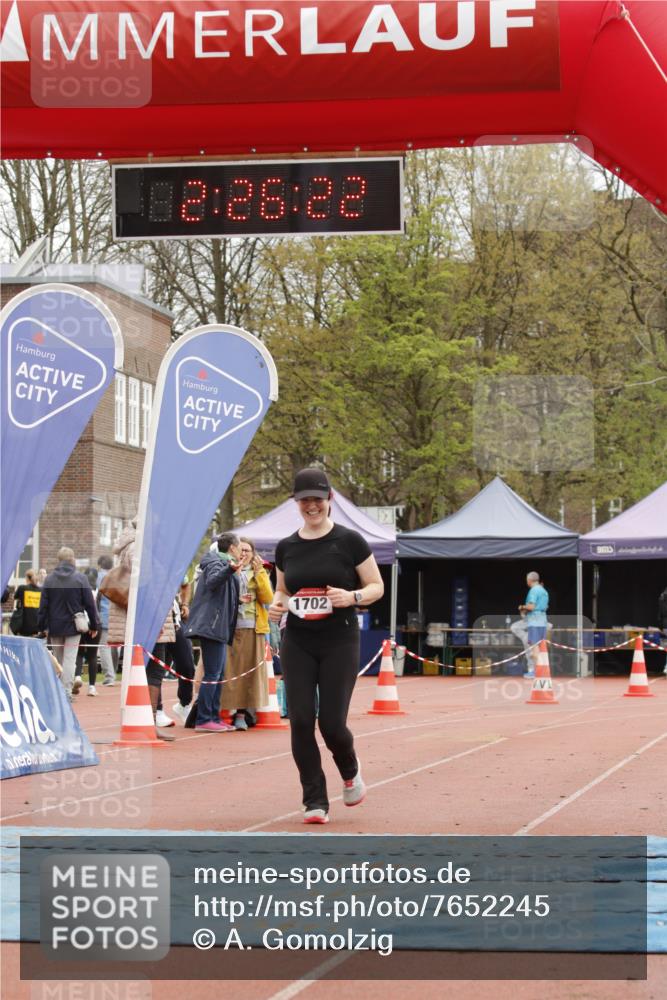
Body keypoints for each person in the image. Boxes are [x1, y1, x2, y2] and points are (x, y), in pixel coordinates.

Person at [268, 468, 384, 825]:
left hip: (339, 639)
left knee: (332, 723)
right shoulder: (287, 546)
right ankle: (314, 799)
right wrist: (276, 604)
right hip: (298, 640)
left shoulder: (350, 542)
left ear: (329, 499)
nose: (311, 506)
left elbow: (377, 586)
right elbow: (283, 590)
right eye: (304, 500)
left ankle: (349, 771)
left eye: (317, 499)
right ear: (296, 503)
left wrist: (352, 596)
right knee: (301, 720)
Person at [107, 521, 176, 740]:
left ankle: (146, 722)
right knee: (151, 671)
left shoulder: (138, 546)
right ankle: (145, 723)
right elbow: (146, 585)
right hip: (148, 620)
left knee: (151, 671)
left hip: (147, 618)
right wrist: (155, 619)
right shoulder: (139, 548)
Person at [183, 532, 242, 733]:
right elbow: (213, 581)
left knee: (218, 673)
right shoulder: (216, 562)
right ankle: (204, 718)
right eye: (240, 545)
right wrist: (229, 569)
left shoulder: (222, 562)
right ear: (232, 547)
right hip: (212, 625)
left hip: (217, 625)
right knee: (213, 672)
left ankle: (213, 717)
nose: (242, 549)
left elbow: (218, 593)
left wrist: (239, 600)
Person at [221, 537, 273, 730]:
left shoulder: (259, 572)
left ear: (253, 555)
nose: (243, 554)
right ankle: (224, 712)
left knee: (247, 674)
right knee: (227, 671)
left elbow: (268, 597)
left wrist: (259, 573)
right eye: (240, 550)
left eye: (247, 551)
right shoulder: (227, 569)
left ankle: (242, 714)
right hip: (228, 628)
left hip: (253, 627)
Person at [37, 547, 100, 701]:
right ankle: (66, 692)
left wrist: (41, 627)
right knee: (70, 660)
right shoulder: (80, 578)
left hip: (55, 626)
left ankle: (59, 690)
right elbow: (90, 605)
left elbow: (43, 605)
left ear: (59, 560)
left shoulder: (50, 579)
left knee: (58, 659)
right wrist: (94, 625)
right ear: (72, 559)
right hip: (74, 626)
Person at [516, 571, 549, 678]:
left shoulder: (533, 590)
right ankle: (542, 671)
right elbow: (546, 606)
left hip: (534, 621)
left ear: (529, 580)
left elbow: (531, 607)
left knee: (534, 649)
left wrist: (522, 607)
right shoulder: (544, 591)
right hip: (543, 621)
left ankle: (536, 672)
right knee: (541, 648)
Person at [96, 554, 118, 686]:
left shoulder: (99, 577)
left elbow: (96, 596)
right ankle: (113, 672)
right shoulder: (116, 576)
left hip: (103, 614)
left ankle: (109, 676)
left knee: (104, 646)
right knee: (115, 646)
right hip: (116, 615)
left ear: (99, 565)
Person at [10, 569, 42, 636]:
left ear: (27, 578)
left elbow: (14, 597)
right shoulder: (41, 590)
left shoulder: (22, 588)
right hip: (37, 625)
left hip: (24, 625)